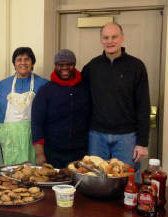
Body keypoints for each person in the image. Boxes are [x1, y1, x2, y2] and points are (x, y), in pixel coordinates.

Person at [82, 23, 150, 171]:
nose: (110, 41)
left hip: (127, 137)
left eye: (114, 37)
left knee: (126, 183)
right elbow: (82, 101)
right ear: (101, 40)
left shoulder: (136, 67)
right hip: (96, 136)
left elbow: (144, 105)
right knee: (97, 180)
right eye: (106, 37)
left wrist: (142, 143)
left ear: (122, 38)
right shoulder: (91, 67)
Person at [31, 49, 91, 169]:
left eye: (69, 64)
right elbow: (37, 123)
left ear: (74, 65)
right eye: (60, 65)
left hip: (80, 152)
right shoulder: (46, 91)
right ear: (55, 66)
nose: (65, 68)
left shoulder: (85, 88)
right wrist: (40, 154)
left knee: (78, 186)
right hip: (53, 153)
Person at [0, 47, 48, 165]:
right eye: (19, 59)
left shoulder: (43, 84)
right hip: (9, 139)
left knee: (33, 174)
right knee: (10, 174)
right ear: (14, 64)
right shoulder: (3, 84)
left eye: (27, 59)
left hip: (33, 137)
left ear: (32, 63)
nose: (23, 63)